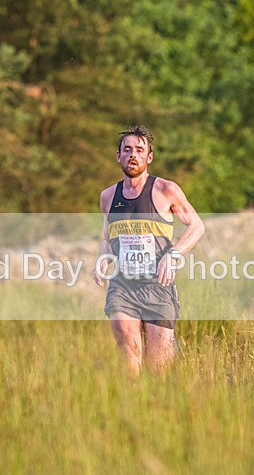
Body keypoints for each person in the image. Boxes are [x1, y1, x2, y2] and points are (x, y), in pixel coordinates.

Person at [93, 126, 205, 375]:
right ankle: (130, 409)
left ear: (149, 157)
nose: (133, 154)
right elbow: (107, 236)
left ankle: (159, 408)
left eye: (139, 150)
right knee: (129, 360)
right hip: (123, 286)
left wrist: (174, 254)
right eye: (127, 149)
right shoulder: (108, 196)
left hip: (158, 286)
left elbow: (197, 226)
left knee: (158, 369)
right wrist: (103, 258)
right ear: (119, 156)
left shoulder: (166, 190)